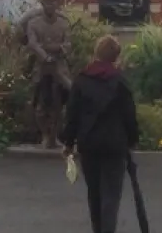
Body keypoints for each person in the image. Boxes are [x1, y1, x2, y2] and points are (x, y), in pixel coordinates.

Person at [61, 35, 141, 233]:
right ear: (116, 57)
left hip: (89, 144)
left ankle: (98, 229)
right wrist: (132, 140)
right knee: (111, 195)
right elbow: (129, 115)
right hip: (115, 144)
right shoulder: (120, 81)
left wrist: (68, 142)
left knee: (94, 193)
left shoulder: (81, 80)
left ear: (96, 53)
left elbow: (72, 114)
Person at [23, 0, 73, 148]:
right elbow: (33, 44)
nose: (50, 5)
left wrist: (61, 50)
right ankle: (44, 135)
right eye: (47, 3)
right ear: (42, 4)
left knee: (60, 102)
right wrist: (45, 56)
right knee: (41, 102)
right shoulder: (34, 23)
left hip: (60, 66)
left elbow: (68, 43)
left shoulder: (63, 23)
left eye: (53, 2)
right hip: (42, 67)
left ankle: (54, 136)